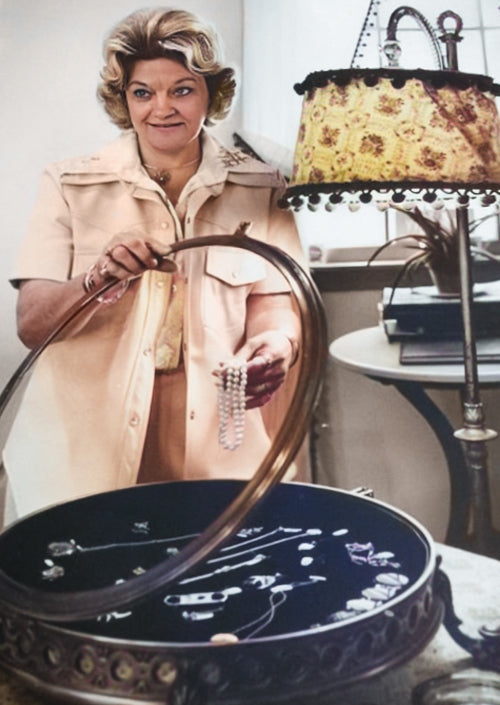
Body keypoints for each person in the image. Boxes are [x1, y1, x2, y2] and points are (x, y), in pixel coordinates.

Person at [3, 7, 307, 522]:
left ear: (212, 93)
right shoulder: (68, 184)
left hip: (219, 451)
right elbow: (33, 324)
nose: (161, 109)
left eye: (182, 90)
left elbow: (276, 304)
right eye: (143, 92)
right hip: (79, 457)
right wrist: (98, 277)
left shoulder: (263, 187)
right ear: (123, 99)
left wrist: (277, 344)